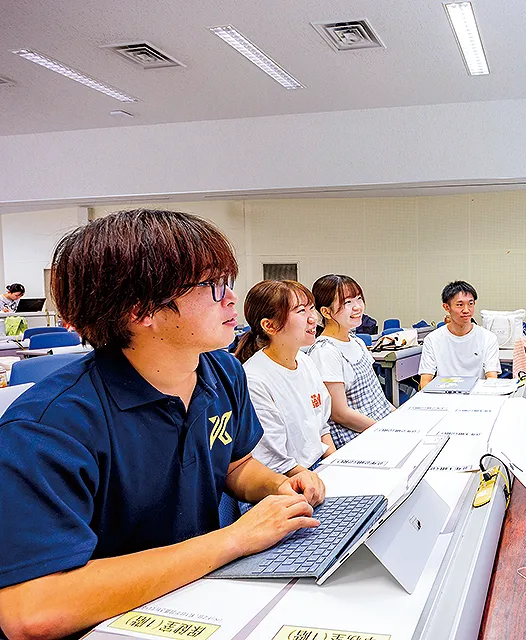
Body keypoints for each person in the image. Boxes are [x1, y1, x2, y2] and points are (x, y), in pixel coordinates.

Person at [0, 209, 326, 639]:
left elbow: (233, 465)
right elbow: (31, 610)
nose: (231, 298)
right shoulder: (49, 428)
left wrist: (279, 484)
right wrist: (234, 539)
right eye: (213, 287)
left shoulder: (222, 372)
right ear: (141, 310)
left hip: (196, 598)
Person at [235, 280, 336, 475]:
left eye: (312, 308)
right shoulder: (255, 380)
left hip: (316, 469)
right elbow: (275, 464)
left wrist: (336, 466)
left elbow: (322, 428)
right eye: (301, 311)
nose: (313, 318)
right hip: (283, 482)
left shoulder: (305, 361)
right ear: (269, 326)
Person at [308, 274, 393, 448]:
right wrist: (384, 430)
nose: (357, 307)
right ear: (326, 312)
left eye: (359, 298)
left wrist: (398, 417)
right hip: (356, 439)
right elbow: (340, 414)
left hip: (379, 427)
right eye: (347, 302)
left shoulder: (357, 342)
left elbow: (377, 396)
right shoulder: (325, 352)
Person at [419, 280, 501, 388]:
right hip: (444, 396)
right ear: (447, 307)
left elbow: (492, 379)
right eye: (460, 305)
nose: (466, 310)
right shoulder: (432, 339)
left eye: (470, 304)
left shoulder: (488, 338)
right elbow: (425, 382)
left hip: (476, 397)